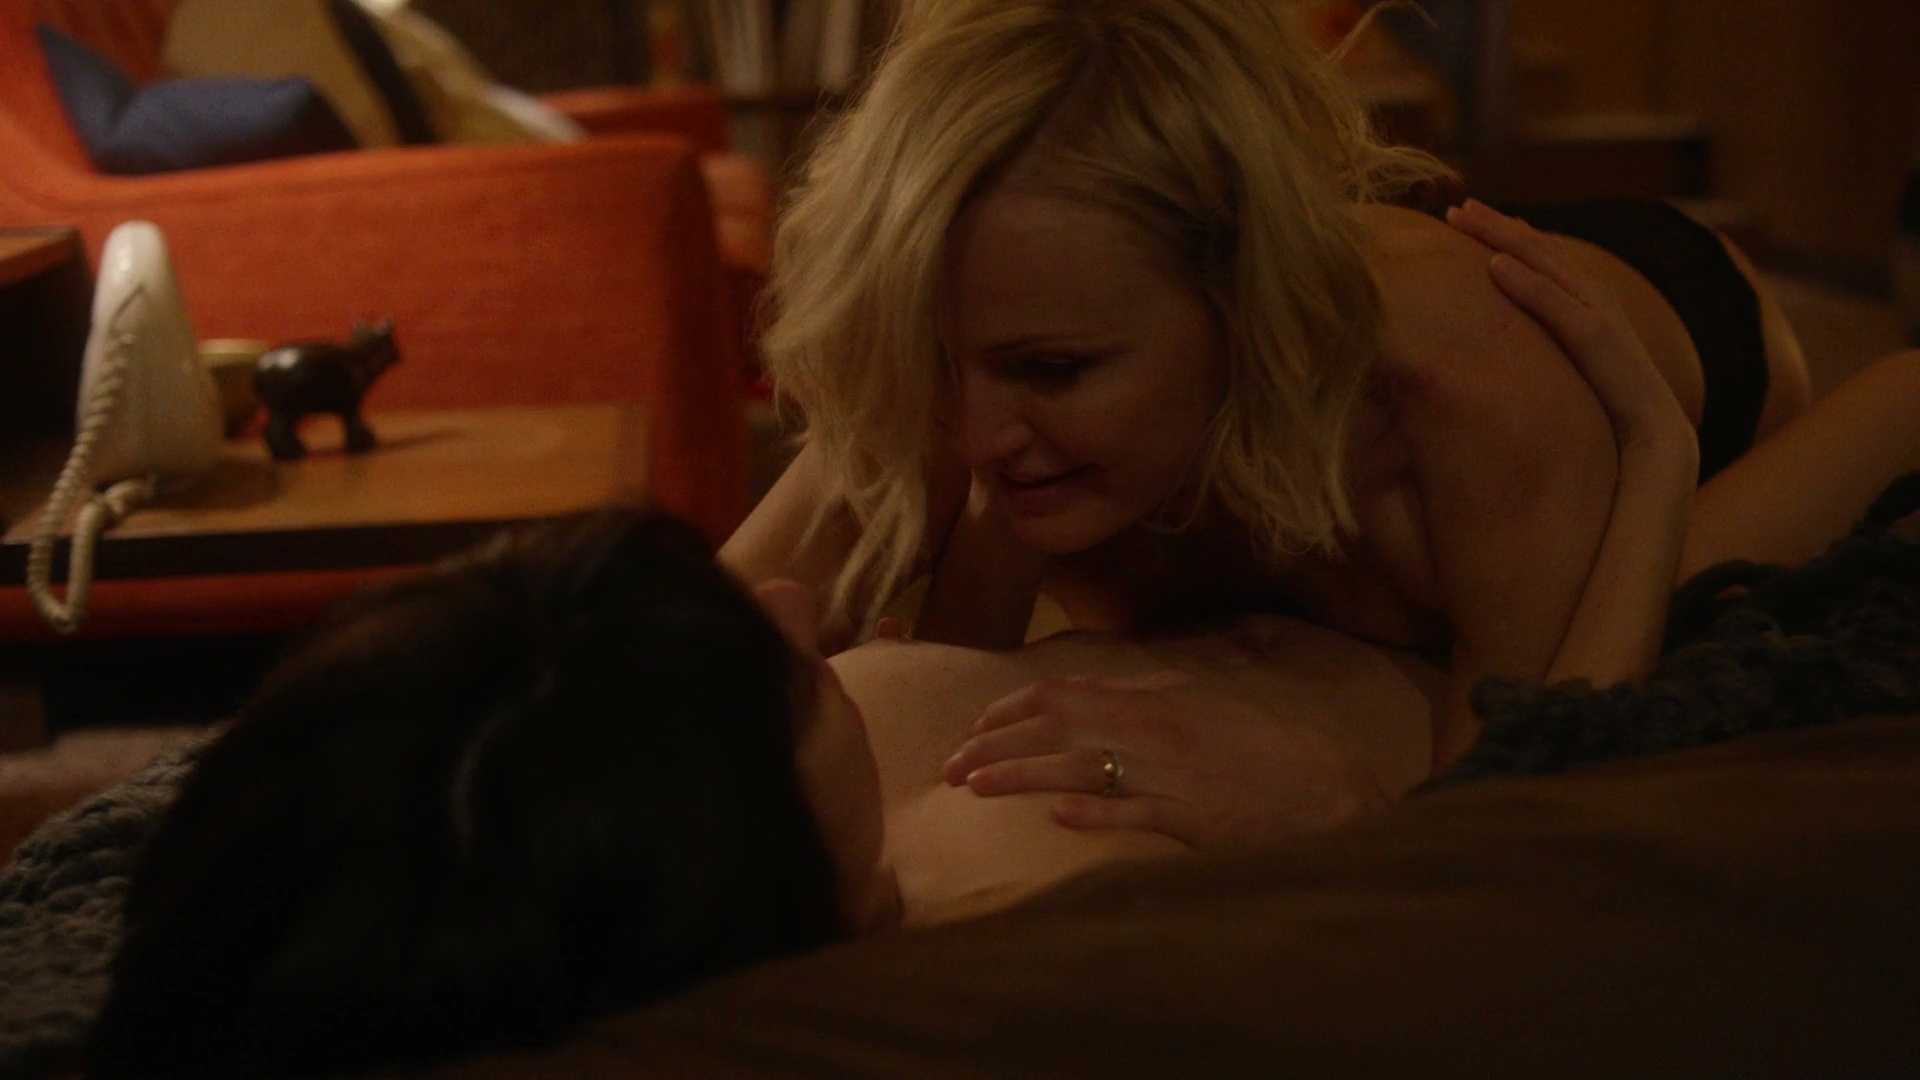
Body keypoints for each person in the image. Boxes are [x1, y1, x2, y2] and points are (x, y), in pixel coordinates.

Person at [88, 226, 1915, 1075]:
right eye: (773, 674)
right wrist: (1647, 485)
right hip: (1468, 606)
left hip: (1532, 365)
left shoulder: (594, 753)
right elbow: (1526, 826)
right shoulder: (940, 920)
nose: (798, 617)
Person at [722, 0, 1816, 777]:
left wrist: (1658, 462)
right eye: (940, 360)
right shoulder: (991, 331)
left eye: (1051, 371)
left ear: (1238, 297)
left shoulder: (1470, 392)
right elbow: (680, 662)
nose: (971, 433)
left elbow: (1510, 816)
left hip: (1679, 323)